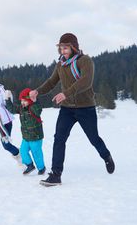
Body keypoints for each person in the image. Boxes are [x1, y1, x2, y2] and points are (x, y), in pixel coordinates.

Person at [29, 33, 115, 187]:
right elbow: (51, 82)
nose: (63, 50)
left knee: (93, 138)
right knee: (59, 139)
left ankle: (106, 156)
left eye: (66, 47)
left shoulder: (85, 61)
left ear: (73, 47)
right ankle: (56, 175)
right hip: (67, 109)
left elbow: (86, 82)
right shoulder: (60, 64)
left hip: (85, 107)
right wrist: (37, 91)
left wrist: (66, 93)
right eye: (61, 47)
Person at [5, 88, 46, 175]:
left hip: (36, 137)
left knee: (36, 153)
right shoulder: (21, 108)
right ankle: (30, 165)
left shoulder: (34, 107)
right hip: (26, 137)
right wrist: (7, 99)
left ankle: (41, 168)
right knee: (23, 151)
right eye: (21, 101)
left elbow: (38, 111)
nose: (22, 103)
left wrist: (34, 102)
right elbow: (12, 109)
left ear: (30, 100)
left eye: (25, 101)